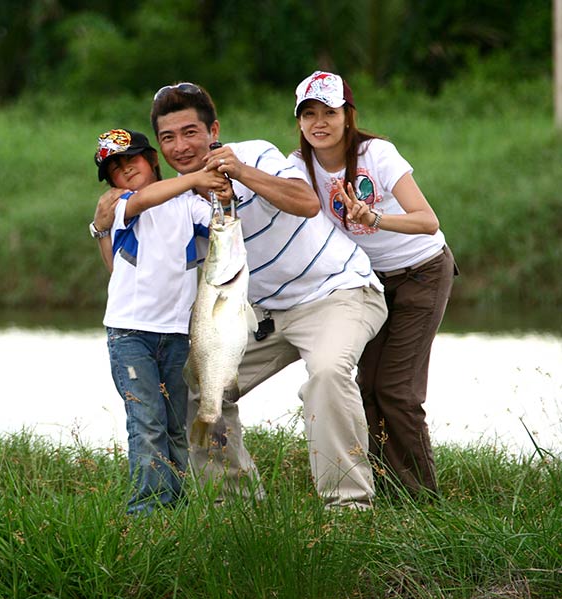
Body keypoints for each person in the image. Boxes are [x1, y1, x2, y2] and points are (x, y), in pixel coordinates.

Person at [94, 83, 388, 510]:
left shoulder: (255, 152)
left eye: (191, 132)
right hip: (263, 313)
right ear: (158, 148)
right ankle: (238, 509)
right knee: (198, 390)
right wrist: (103, 227)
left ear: (213, 130)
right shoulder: (179, 196)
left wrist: (241, 174)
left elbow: (306, 202)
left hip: (337, 293)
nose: (181, 146)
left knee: (326, 373)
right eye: (168, 137)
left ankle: (348, 507)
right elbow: (144, 264)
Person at [288, 70, 457, 499]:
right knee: (362, 386)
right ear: (300, 121)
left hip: (421, 270)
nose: (319, 122)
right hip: (364, 283)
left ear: (348, 115)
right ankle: (381, 490)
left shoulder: (376, 154)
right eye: (309, 114)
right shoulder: (298, 167)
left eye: (329, 111)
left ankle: (421, 501)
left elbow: (427, 221)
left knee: (397, 391)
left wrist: (372, 217)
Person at [91, 127, 232, 515]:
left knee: (173, 426)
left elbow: (224, 224)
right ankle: (146, 511)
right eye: (115, 168)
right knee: (147, 422)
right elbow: (145, 199)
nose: (125, 171)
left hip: (177, 334)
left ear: (152, 160)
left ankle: (176, 508)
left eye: (131, 160)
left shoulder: (188, 203)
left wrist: (221, 191)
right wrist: (196, 178)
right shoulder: (120, 205)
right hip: (129, 333)